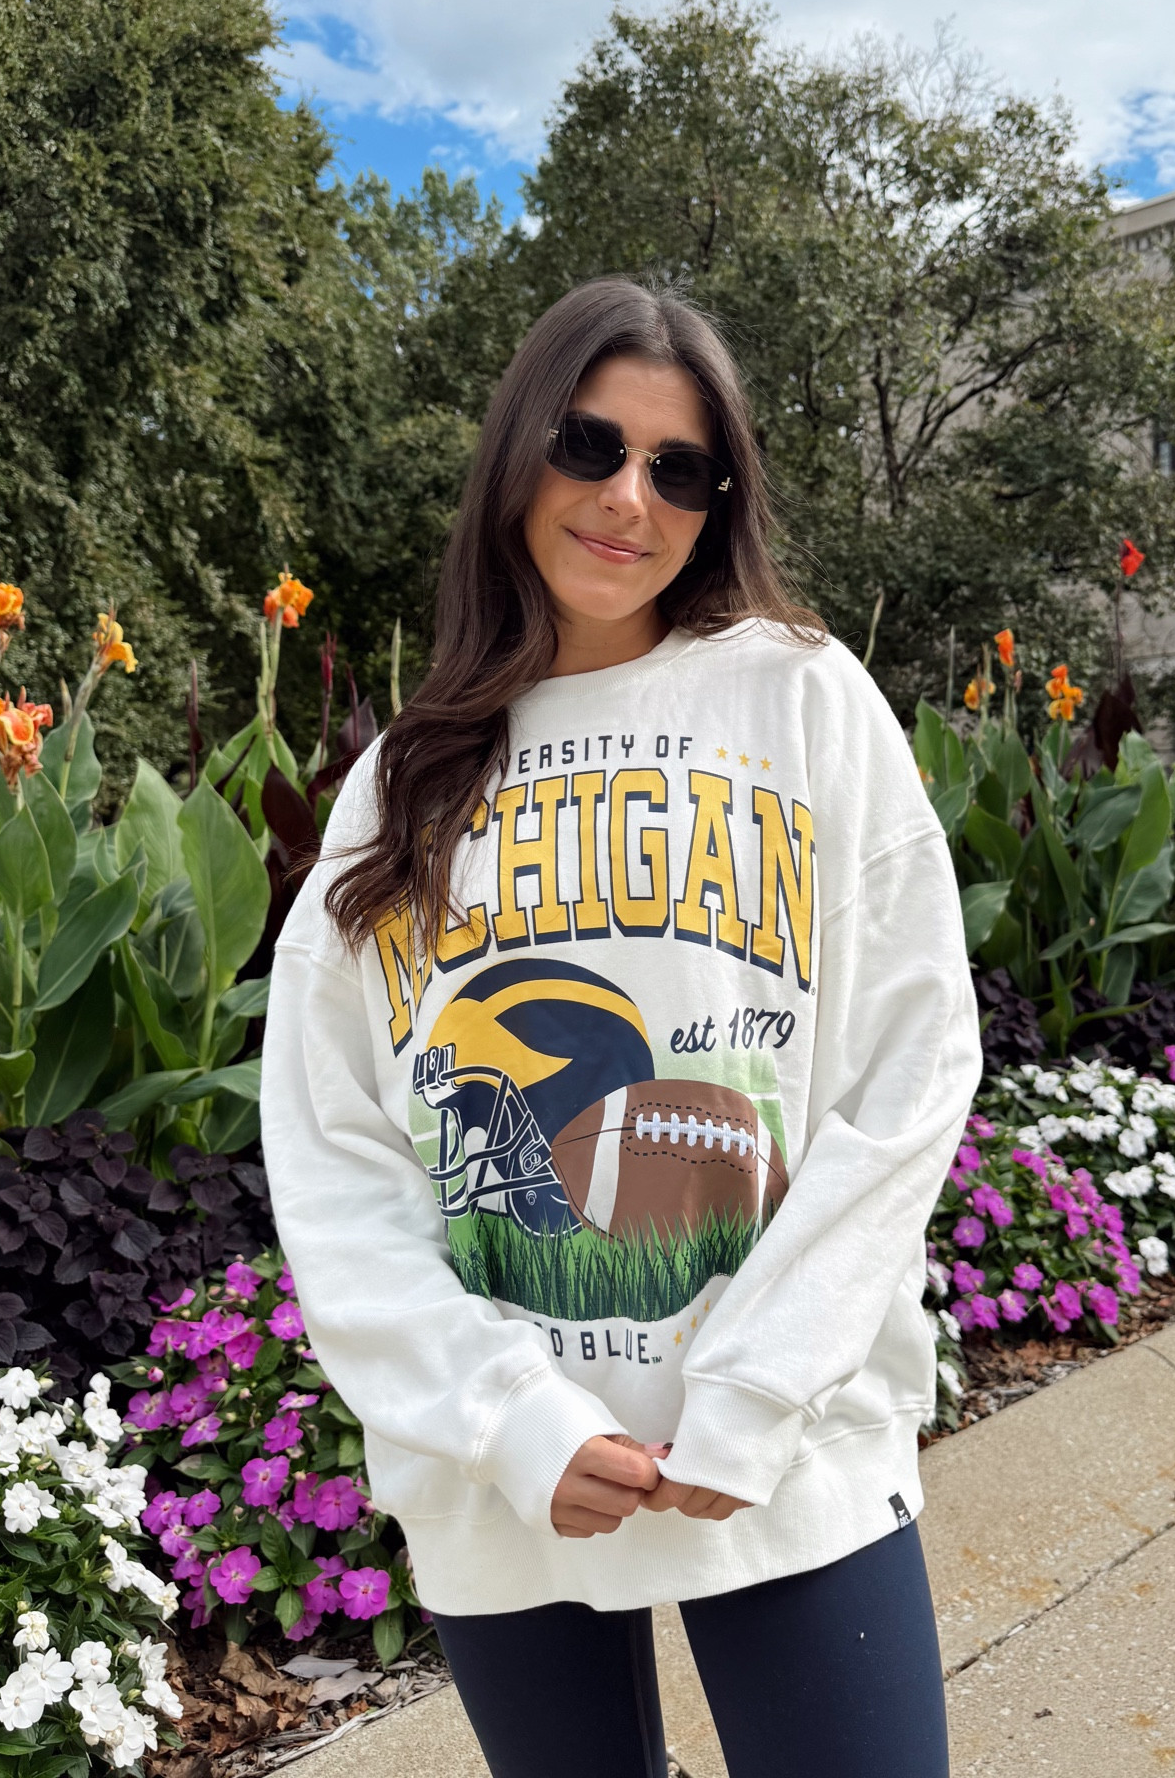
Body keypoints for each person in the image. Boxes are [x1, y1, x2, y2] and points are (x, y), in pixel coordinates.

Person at [262, 278, 981, 1778]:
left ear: (719, 502)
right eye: (589, 445)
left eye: (680, 467)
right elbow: (334, 1150)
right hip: (503, 1470)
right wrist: (509, 1417)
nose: (626, 498)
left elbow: (910, 1072)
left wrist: (756, 1388)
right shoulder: (402, 784)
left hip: (783, 1449)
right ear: (520, 453)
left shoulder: (804, 699)